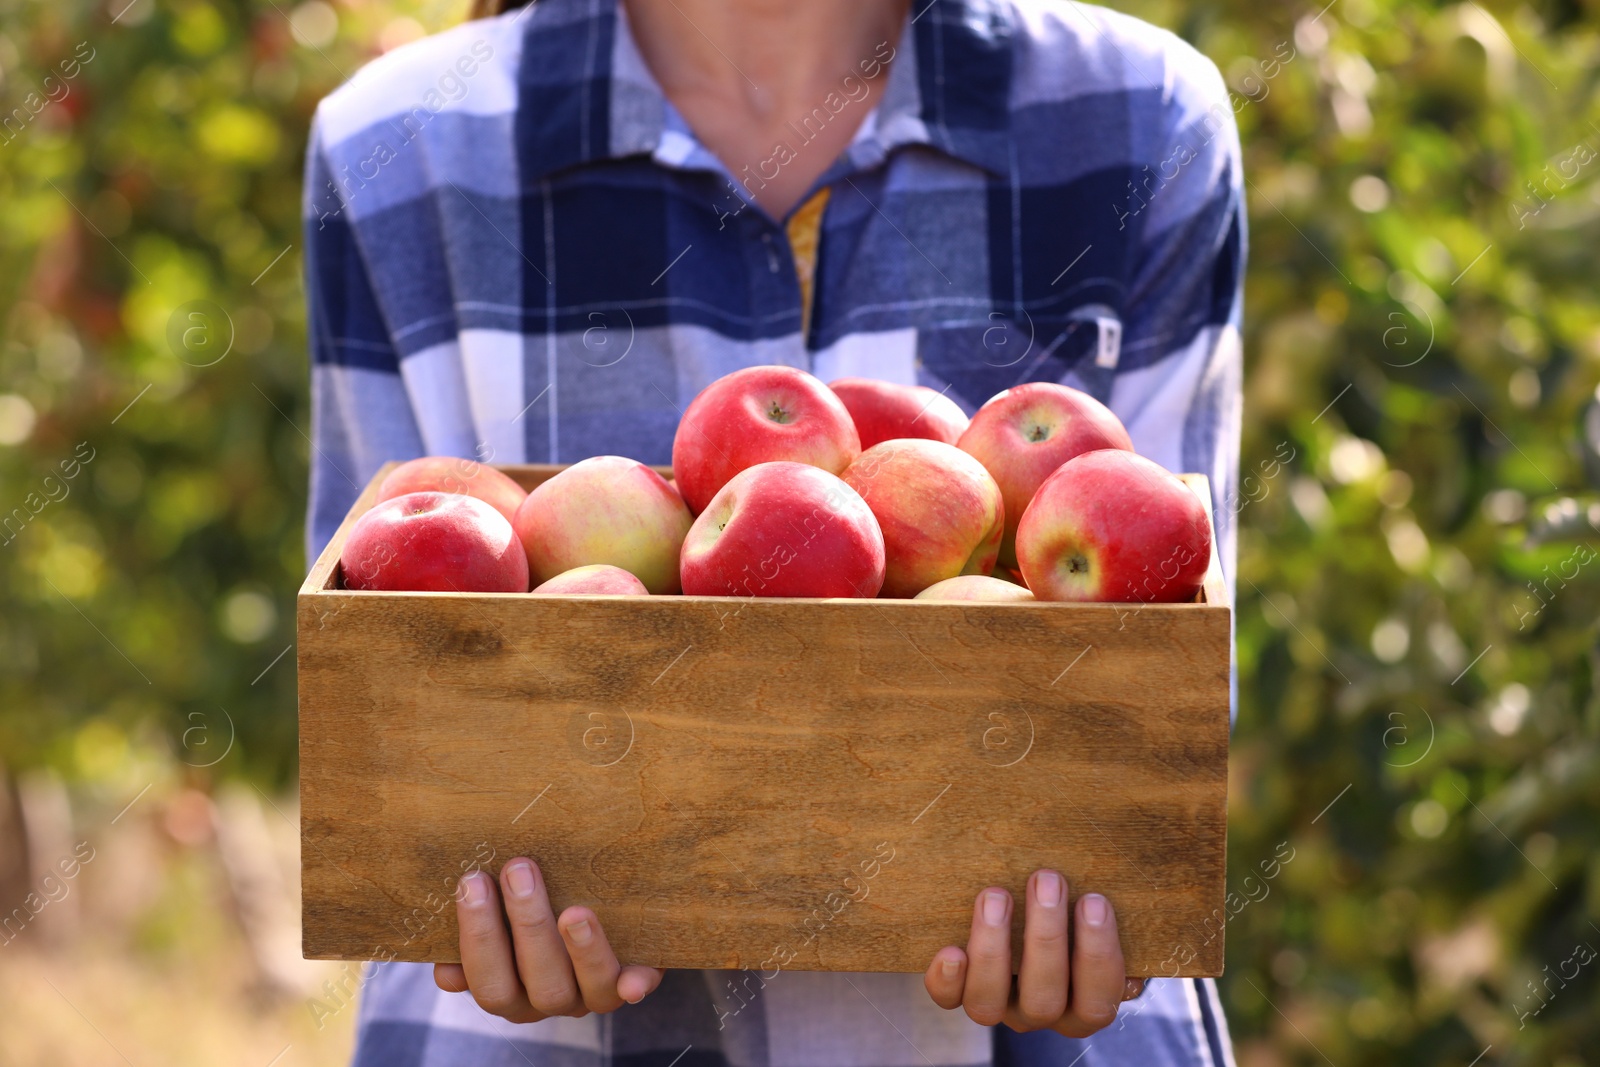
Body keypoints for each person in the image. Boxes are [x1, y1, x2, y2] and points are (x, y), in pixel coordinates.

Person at [303, 0, 1244, 1063]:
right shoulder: (401, 148)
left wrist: (1095, 868)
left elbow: (1172, 676)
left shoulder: (1136, 121)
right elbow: (371, 693)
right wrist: (457, 874)